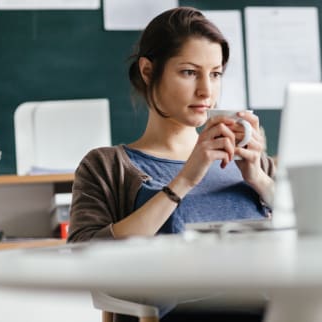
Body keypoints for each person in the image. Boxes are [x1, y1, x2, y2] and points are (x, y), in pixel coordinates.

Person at [68, 6, 275, 321]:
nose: (207, 90)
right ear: (148, 71)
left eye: (215, 74)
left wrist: (259, 179)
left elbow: (316, 241)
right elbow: (85, 257)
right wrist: (183, 181)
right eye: (189, 72)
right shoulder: (108, 166)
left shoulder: (253, 162)